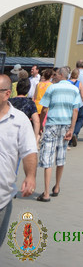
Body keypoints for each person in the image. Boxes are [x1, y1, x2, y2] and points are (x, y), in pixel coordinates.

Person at [0, 74, 37, 247]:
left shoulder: (20, 120)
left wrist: (30, 176)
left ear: (7, 94)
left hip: (2, 198)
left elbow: (29, 151)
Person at [37, 66, 83, 202]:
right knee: (61, 156)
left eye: (56, 74)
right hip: (66, 125)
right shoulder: (74, 89)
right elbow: (75, 110)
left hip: (52, 124)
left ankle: (46, 193)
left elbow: (44, 109)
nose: (54, 76)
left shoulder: (52, 88)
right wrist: (72, 129)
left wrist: (41, 124)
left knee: (48, 157)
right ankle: (56, 187)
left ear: (61, 75)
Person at [9, 79, 40, 144]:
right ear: (28, 90)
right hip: (24, 133)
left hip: (10, 132)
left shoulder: (8, 102)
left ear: (16, 88)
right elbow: (36, 121)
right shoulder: (30, 103)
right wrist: (35, 138)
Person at [68, 69, 83, 145]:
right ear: (78, 75)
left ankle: (69, 137)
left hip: (68, 104)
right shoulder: (79, 83)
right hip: (78, 104)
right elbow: (82, 95)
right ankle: (75, 133)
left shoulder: (67, 82)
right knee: (79, 120)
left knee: (70, 121)